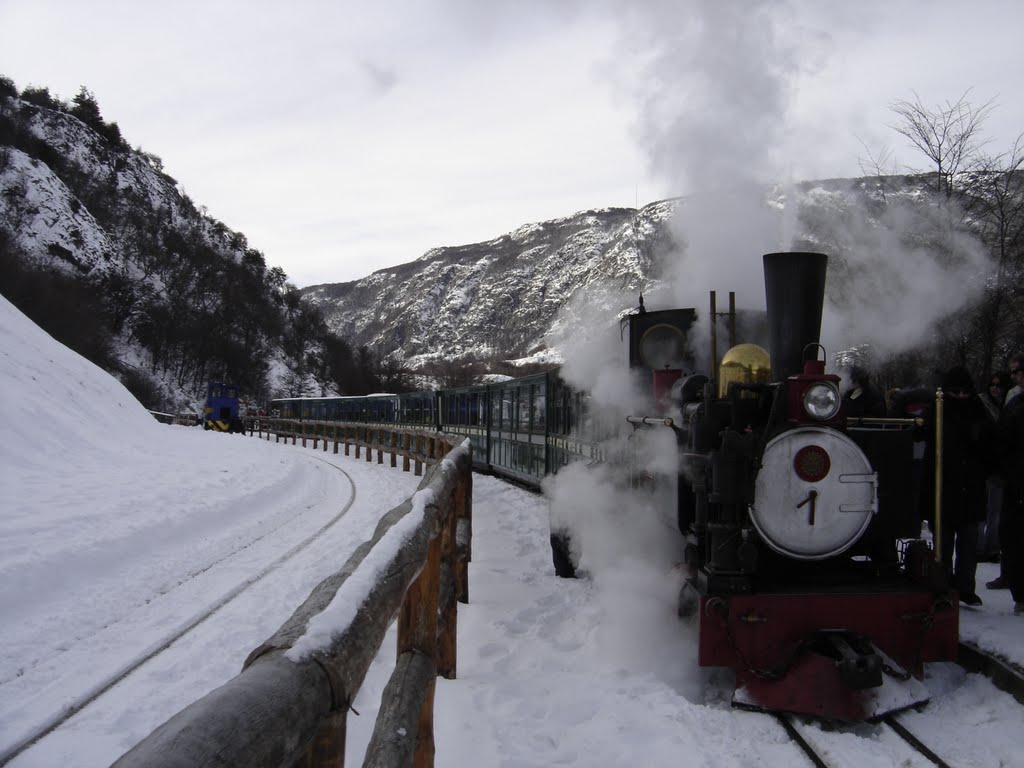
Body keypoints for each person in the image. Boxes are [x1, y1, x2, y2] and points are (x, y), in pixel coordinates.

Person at [923, 365, 991, 606]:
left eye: (965, 392)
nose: (961, 397)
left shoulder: (978, 411)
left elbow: (989, 445)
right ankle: (943, 584)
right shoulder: (937, 410)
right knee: (943, 540)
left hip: (970, 485)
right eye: (956, 392)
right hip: (945, 485)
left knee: (969, 541)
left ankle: (965, 587)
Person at [995, 353, 1024, 613]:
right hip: (1017, 482)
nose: (1013, 377)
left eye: (1017, 372)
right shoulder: (1015, 405)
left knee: (1014, 538)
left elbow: (1003, 446)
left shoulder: (1016, 407)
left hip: (1017, 482)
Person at [980, 371, 1011, 571]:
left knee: (995, 509)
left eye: (998, 385)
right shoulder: (984, 405)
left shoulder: (1008, 405)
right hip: (987, 462)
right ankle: (984, 546)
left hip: (1000, 464)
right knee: (987, 508)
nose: (995, 388)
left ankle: (991, 546)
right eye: (992, 384)